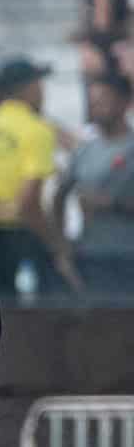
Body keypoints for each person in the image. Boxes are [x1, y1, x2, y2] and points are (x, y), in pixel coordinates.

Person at [0, 57, 76, 298]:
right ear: (28, 88)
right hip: (28, 236)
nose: (42, 92)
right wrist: (55, 244)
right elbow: (29, 202)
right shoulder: (36, 129)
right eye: (39, 85)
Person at [55, 70, 134, 299]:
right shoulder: (85, 149)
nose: (97, 106)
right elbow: (59, 196)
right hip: (91, 254)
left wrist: (113, 204)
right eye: (93, 101)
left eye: (104, 100)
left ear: (124, 102)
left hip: (128, 255)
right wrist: (63, 247)